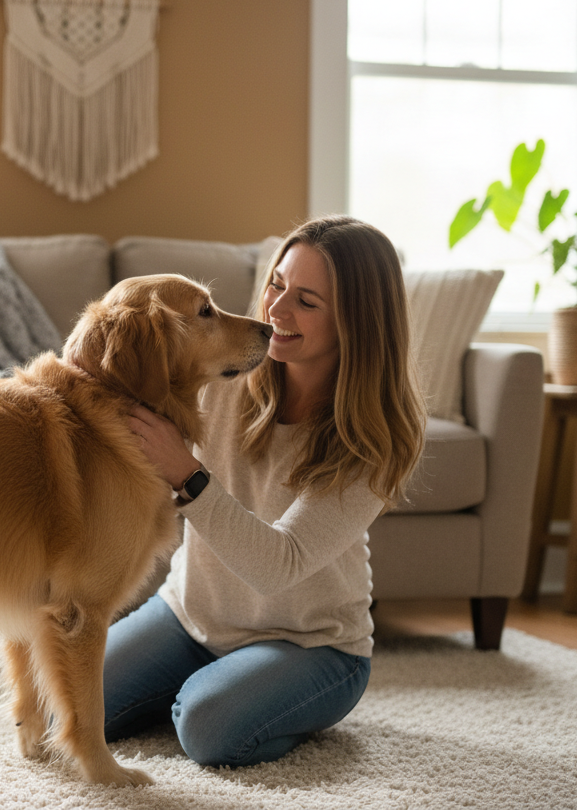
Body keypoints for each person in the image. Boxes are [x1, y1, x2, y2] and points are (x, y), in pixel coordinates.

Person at [104, 214, 426, 767]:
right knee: (53, 700)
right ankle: (214, 684)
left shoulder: (377, 438)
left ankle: (255, 697)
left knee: (207, 727)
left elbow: (281, 564)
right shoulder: (228, 370)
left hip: (310, 643)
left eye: (306, 301)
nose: (275, 311)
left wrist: (187, 472)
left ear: (356, 321)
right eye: (276, 285)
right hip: (190, 618)